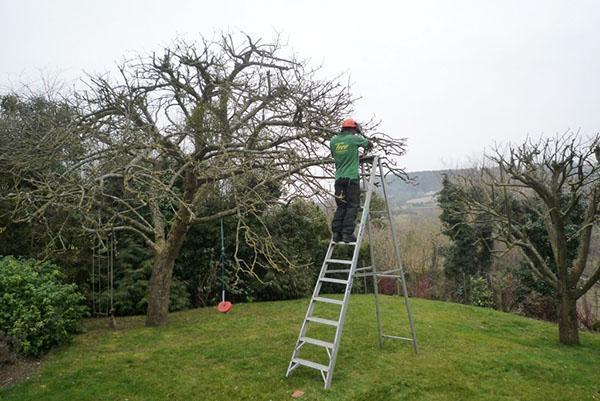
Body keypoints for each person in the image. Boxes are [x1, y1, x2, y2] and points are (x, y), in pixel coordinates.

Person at [330, 118, 372, 243]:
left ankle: (337, 234)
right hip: (351, 179)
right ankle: (347, 233)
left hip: (338, 180)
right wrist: (361, 138)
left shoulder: (333, 141)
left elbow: (339, 156)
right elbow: (369, 144)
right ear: (353, 129)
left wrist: (354, 156)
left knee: (341, 206)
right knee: (352, 205)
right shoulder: (354, 139)